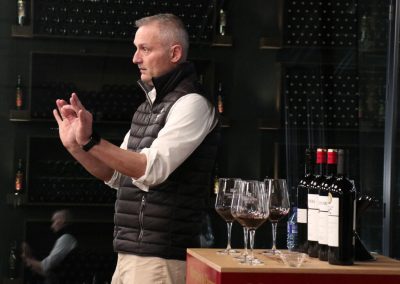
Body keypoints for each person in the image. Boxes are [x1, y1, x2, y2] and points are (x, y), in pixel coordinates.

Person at [52, 13, 219, 284]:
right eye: (135, 48)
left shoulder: (193, 104)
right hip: (130, 255)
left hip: (161, 259)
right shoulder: (147, 107)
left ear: (175, 53)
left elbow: (151, 170)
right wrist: (77, 147)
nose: (135, 58)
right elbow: (117, 176)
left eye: (145, 49)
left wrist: (92, 141)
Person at [21, 209, 78, 284]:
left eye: (54, 221)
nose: (52, 226)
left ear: (62, 221)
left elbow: (47, 265)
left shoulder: (66, 238)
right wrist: (30, 259)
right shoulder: (65, 238)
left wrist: (28, 258)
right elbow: (49, 273)